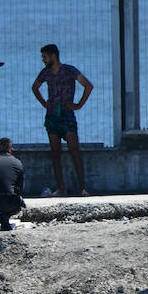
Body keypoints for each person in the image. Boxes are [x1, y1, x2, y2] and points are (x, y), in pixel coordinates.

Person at [31, 44, 93, 196]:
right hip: (52, 116)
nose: (43, 60)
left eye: (45, 57)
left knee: (74, 150)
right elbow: (35, 88)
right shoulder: (45, 73)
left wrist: (78, 105)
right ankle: (61, 188)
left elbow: (88, 86)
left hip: (67, 114)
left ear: (53, 55)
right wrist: (45, 103)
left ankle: (82, 188)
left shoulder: (69, 70)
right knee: (55, 152)